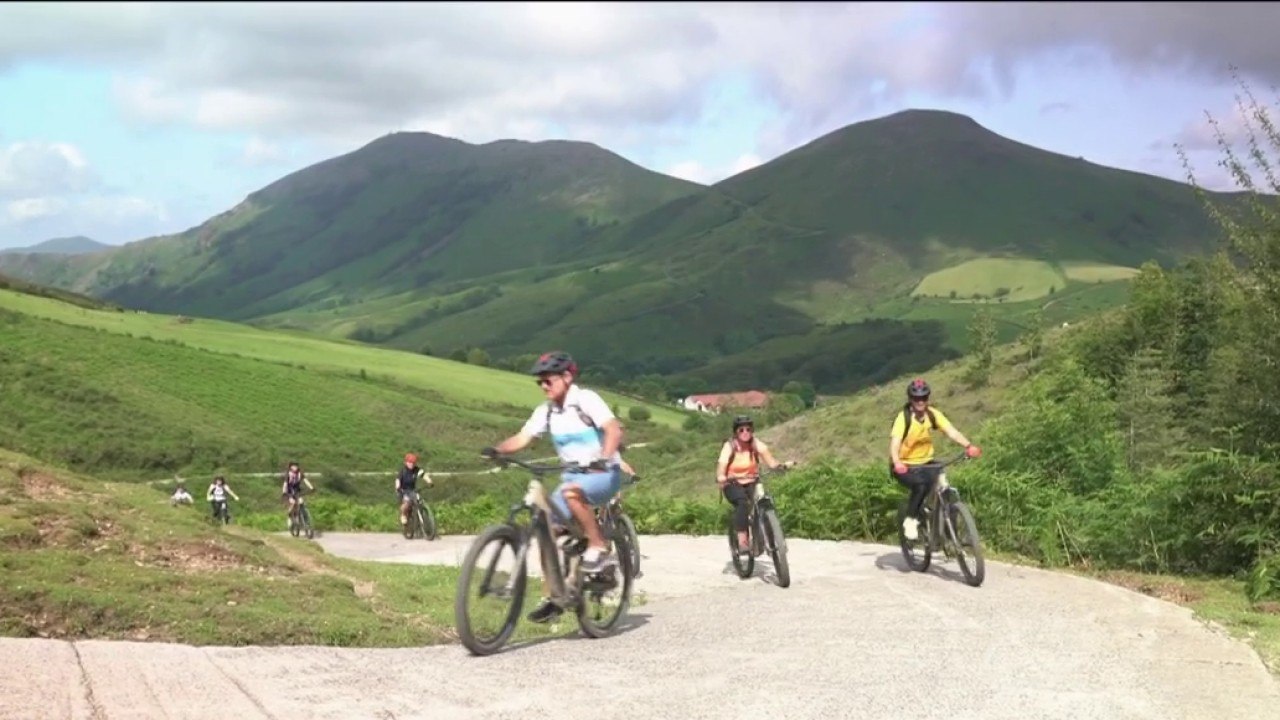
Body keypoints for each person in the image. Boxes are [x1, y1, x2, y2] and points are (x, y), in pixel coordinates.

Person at [482, 350, 624, 624]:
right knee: (546, 526)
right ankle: (556, 595)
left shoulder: (585, 400)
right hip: (573, 477)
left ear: (567, 377)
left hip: (603, 473)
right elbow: (524, 438)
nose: (544, 386)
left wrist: (603, 459)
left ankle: (599, 546)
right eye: (540, 382)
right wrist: (498, 450)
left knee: (571, 493)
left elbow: (613, 429)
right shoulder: (545, 412)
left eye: (548, 380)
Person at [889, 378, 982, 540]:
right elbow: (895, 444)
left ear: (928, 398)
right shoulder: (903, 419)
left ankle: (947, 531)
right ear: (910, 399)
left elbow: (951, 431)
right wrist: (897, 462)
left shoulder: (932, 414)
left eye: (924, 398)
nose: (920, 402)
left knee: (944, 486)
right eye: (916, 398)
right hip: (904, 465)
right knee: (920, 486)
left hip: (926, 463)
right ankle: (910, 520)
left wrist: (968, 446)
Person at [715, 414, 794, 555]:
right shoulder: (730, 446)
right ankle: (742, 540)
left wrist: (781, 466)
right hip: (732, 483)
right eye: (741, 430)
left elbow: (771, 462)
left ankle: (773, 537)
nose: (745, 432)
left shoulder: (756, 444)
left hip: (752, 480)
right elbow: (722, 464)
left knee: (765, 500)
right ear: (736, 432)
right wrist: (721, 476)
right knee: (742, 502)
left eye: (748, 429)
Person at [396, 452, 433, 527]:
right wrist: (398, 487)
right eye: (409, 462)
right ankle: (403, 515)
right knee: (407, 503)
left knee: (419, 499)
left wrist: (429, 481)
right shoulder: (403, 471)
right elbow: (397, 480)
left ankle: (422, 514)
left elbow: (424, 475)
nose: (411, 464)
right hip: (403, 490)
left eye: (413, 462)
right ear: (406, 462)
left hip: (412, 490)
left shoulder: (416, 470)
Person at [282, 461, 316, 528]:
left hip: (297, 491)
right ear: (290, 467)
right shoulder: (288, 474)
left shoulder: (300, 473)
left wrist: (312, 487)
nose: (295, 467)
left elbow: (306, 481)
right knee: (293, 503)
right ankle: (289, 516)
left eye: (296, 466)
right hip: (289, 491)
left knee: (301, 502)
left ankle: (304, 517)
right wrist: (284, 492)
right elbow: (285, 484)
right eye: (294, 466)